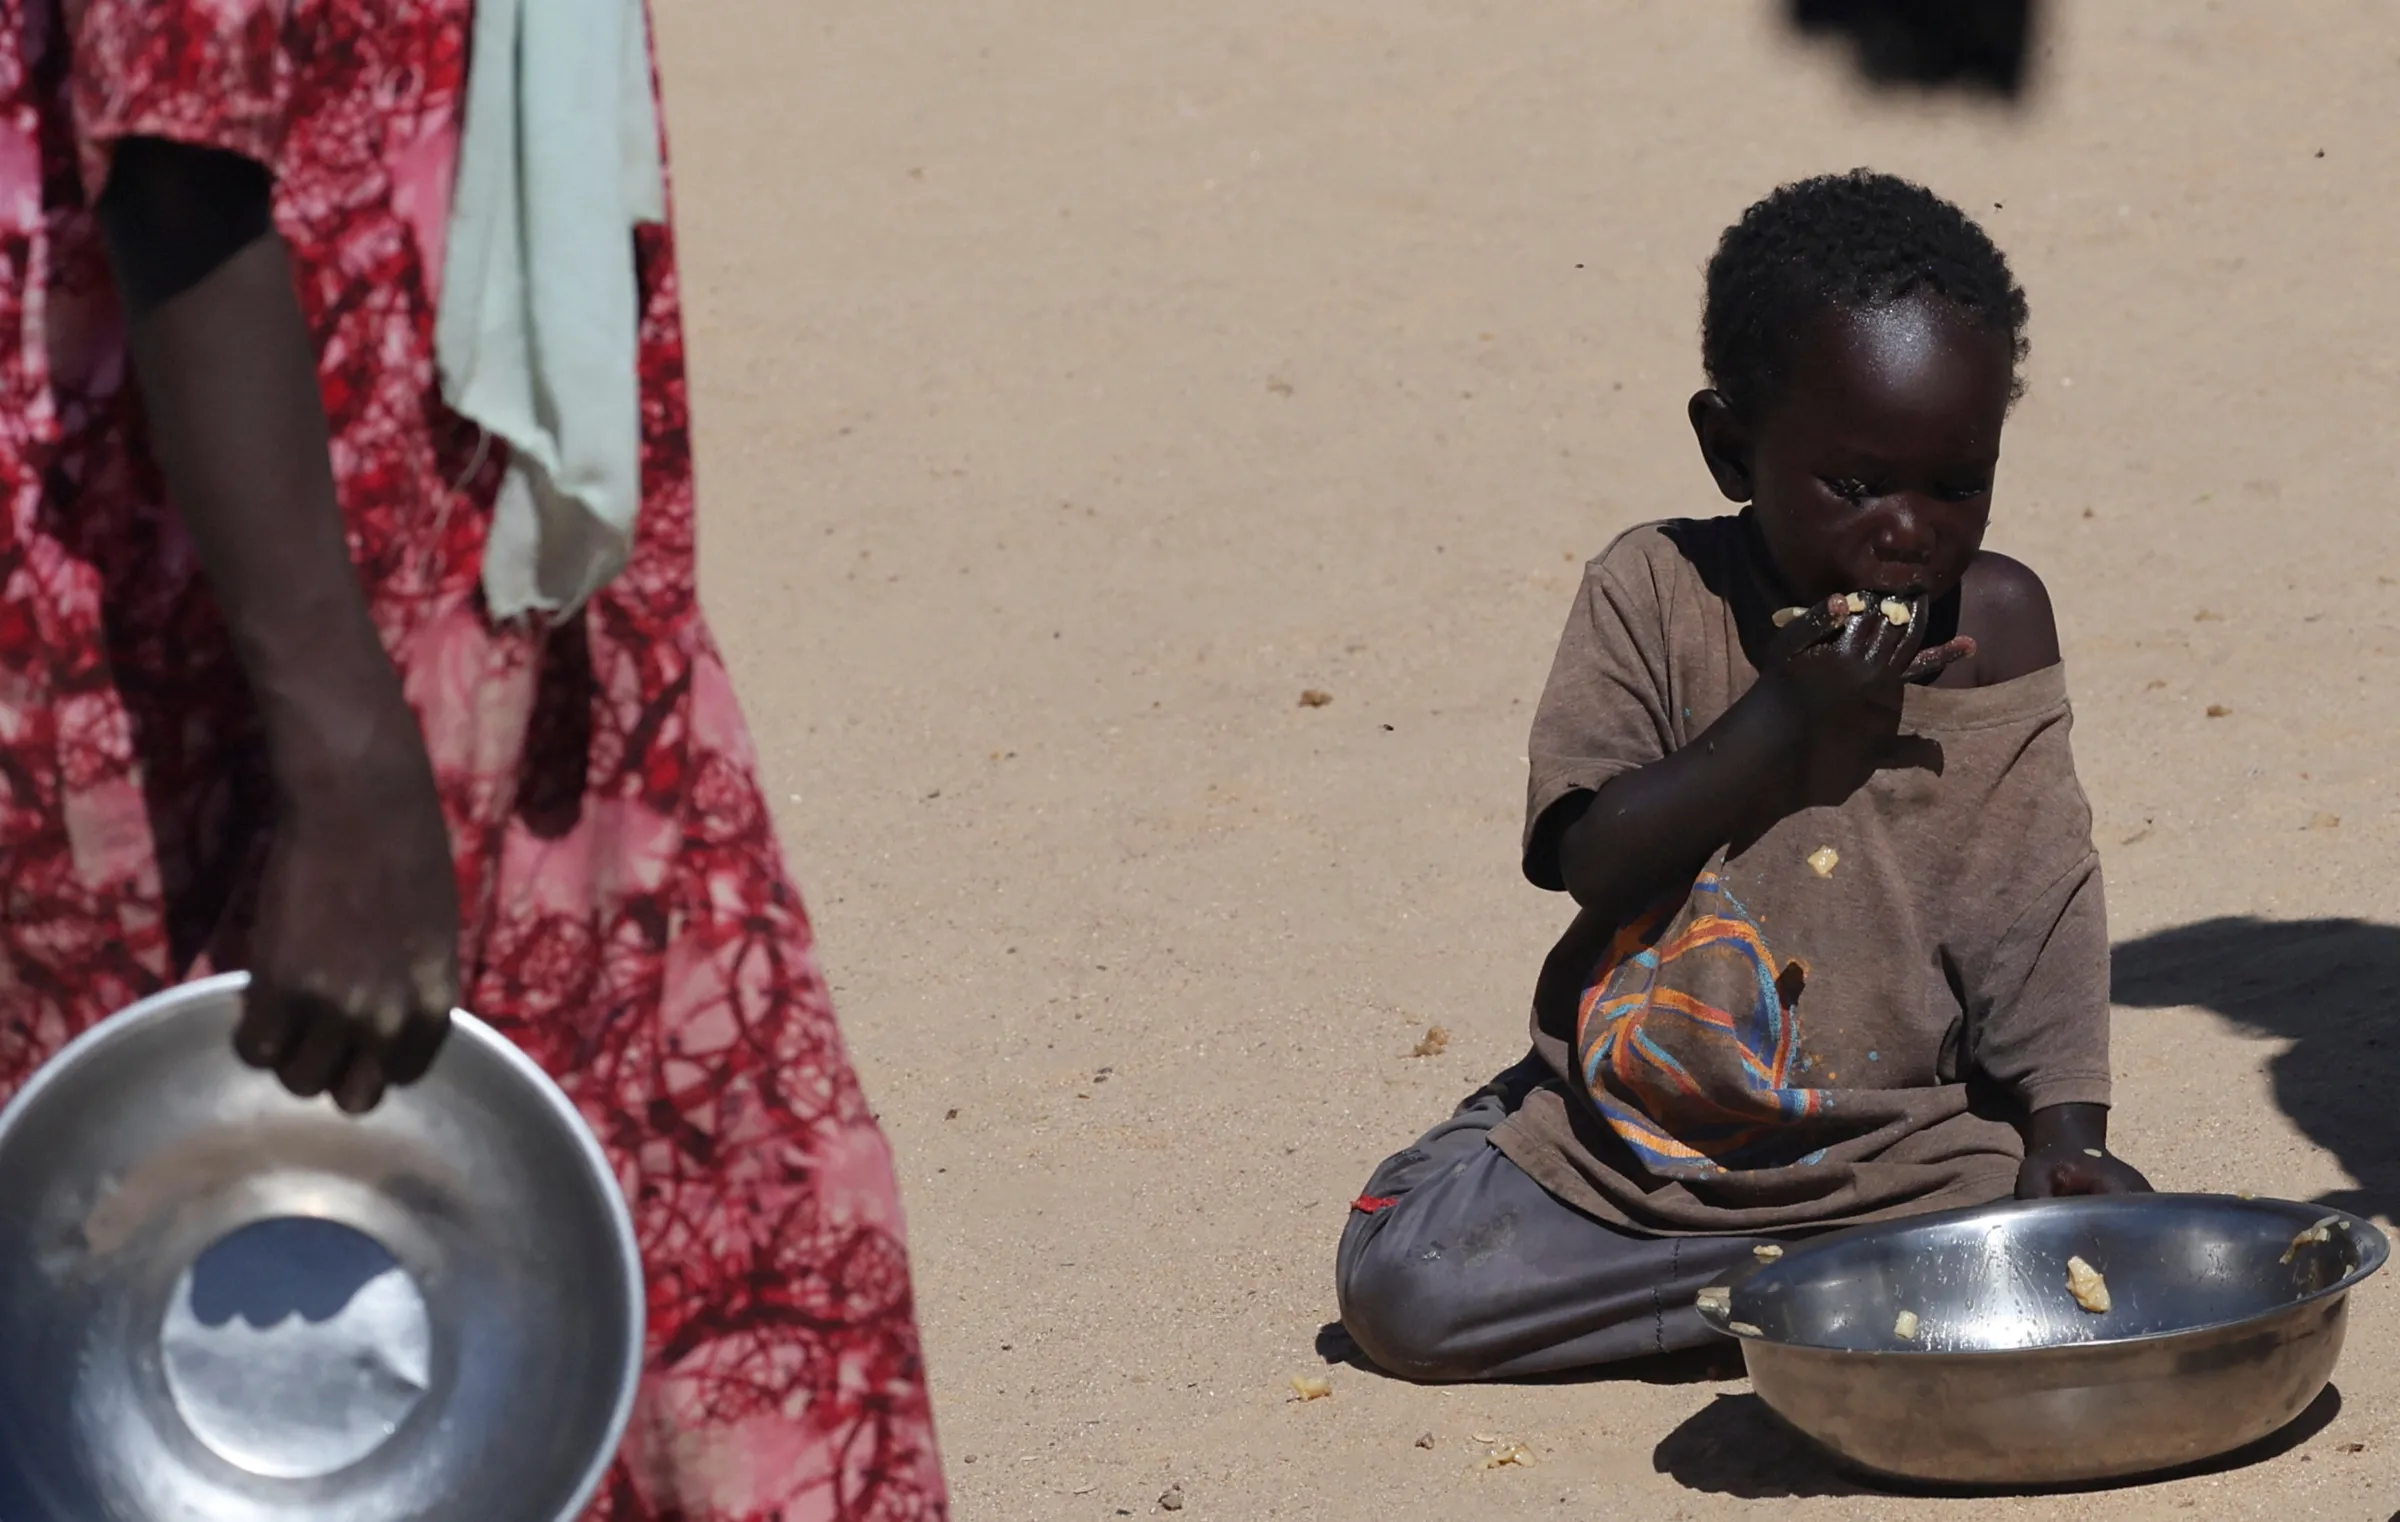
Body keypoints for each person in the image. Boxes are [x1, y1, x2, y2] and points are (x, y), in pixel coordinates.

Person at [7, 3, 946, 1516]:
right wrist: (343, 755)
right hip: (255, 642)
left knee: (736, 1297)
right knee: (170, 1374)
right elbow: (180, 144)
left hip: (515, 610)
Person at [1334, 170, 2148, 1383]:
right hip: (1636, 1143)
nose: (1909, 531)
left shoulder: (2000, 629)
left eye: (1956, 482)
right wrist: (1784, 720)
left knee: (2055, 1262)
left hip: (1896, 1161)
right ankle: (1810, 1304)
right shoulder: (1655, 593)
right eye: (1857, 485)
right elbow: (1591, 859)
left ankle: (1802, 1291)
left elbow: (2037, 913)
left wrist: (2068, 1138)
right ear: (1731, 448)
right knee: (1404, 1292)